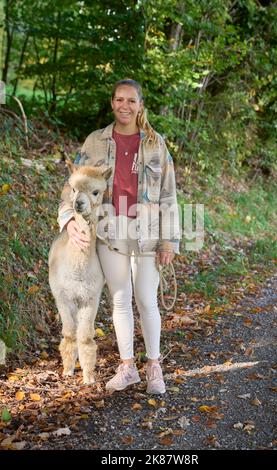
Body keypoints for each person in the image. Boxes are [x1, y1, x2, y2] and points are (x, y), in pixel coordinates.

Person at [57, 79, 180, 394]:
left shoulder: (155, 143)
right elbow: (73, 185)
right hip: (110, 229)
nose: (124, 106)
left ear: (140, 105)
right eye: (118, 100)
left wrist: (170, 240)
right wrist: (69, 218)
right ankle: (128, 368)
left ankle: (154, 367)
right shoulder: (96, 142)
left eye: (131, 101)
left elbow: (169, 193)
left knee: (146, 299)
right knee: (120, 299)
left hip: (148, 232)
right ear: (112, 103)